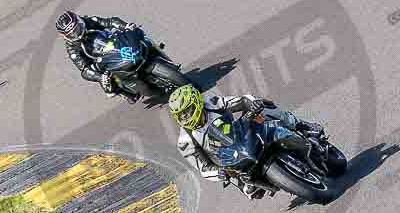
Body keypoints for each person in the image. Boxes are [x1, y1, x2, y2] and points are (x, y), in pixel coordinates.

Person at [168, 85, 324, 199]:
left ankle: (301, 125)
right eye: (180, 115)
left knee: (264, 109)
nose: (185, 117)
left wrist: (253, 103)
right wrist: (219, 173)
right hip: (226, 159)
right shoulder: (185, 141)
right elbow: (202, 168)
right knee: (250, 190)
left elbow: (240, 101)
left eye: (187, 111)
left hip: (239, 132)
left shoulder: (211, 102)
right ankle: (254, 183)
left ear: (197, 102)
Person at [56, 10, 143, 104]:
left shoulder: (89, 21)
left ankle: (152, 47)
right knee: (107, 84)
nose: (77, 33)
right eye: (72, 34)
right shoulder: (72, 48)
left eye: (77, 28)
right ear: (66, 36)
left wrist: (125, 26)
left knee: (135, 33)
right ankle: (122, 92)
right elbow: (84, 69)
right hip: (102, 60)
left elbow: (109, 22)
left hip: (113, 42)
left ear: (79, 21)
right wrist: (99, 77)